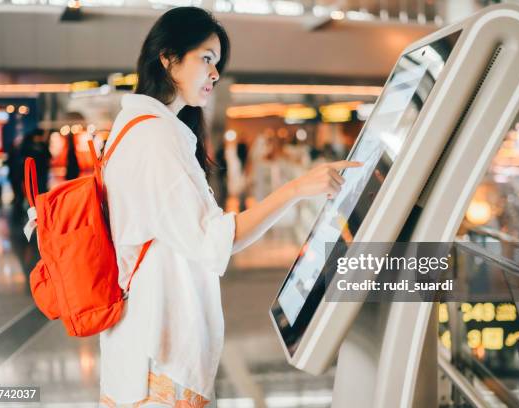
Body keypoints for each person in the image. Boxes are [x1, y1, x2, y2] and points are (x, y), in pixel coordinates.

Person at [98, 7, 361, 408]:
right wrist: (296, 189)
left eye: (216, 63)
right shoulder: (155, 138)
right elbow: (214, 240)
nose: (215, 73)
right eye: (206, 58)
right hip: (158, 356)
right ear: (168, 58)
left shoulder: (137, 129)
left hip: (139, 346)